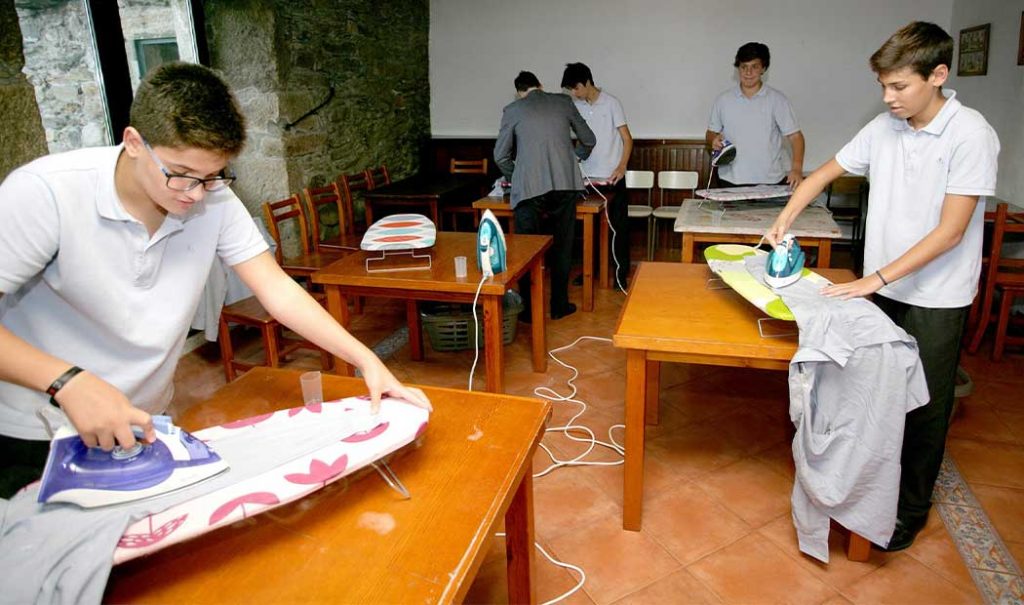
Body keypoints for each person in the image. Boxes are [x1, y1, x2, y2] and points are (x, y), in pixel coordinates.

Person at [0, 62, 430, 499]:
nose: (195, 194)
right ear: (133, 142)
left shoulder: (214, 200)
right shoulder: (45, 193)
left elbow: (277, 289)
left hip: (141, 418)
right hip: (33, 430)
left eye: (212, 177)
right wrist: (67, 381)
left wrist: (366, 360)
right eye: (180, 174)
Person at [766, 22, 1000, 551]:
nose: (888, 97)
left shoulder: (971, 134)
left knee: (923, 407)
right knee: (871, 396)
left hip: (936, 297)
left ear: (938, 75)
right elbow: (822, 174)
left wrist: (872, 279)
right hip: (882, 289)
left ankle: (909, 511)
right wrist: (785, 218)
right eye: (883, 86)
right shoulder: (882, 128)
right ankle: (867, 492)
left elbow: (952, 231)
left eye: (899, 86)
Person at [494, 71, 596, 320]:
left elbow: (500, 156)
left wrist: (518, 174)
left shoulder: (513, 109)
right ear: (540, 85)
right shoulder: (563, 102)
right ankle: (559, 306)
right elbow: (589, 139)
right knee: (562, 246)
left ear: (520, 91)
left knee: (527, 249)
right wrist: (575, 159)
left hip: (529, 188)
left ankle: (528, 312)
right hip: (565, 183)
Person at [561, 62, 633, 288]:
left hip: (612, 177)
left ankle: (621, 275)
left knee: (617, 228)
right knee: (589, 230)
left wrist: (622, 166)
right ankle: (590, 272)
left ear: (586, 83)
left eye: (575, 88)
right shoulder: (576, 106)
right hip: (586, 177)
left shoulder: (612, 103)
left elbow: (627, 139)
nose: (574, 93)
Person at [706, 42, 805, 188]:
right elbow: (710, 133)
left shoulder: (778, 100)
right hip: (729, 180)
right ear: (738, 68)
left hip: (770, 181)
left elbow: (796, 137)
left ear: (763, 69)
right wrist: (713, 140)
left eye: (754, 67)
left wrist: (796, 169)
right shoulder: (723, 100)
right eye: (744, 67)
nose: (748, 72)